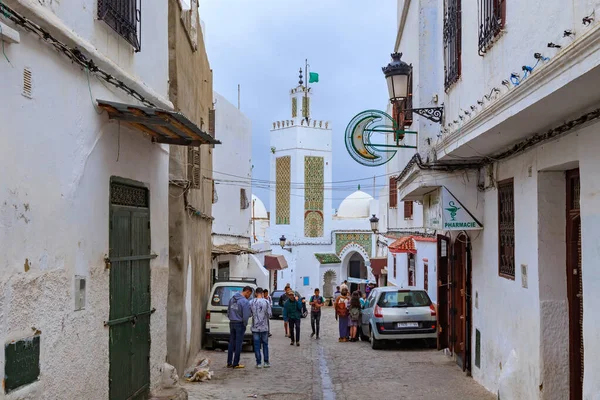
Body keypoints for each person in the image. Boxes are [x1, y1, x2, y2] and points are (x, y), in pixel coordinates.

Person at [227, 286, 253, 369]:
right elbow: (246, 315)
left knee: (231, 343)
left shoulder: (232, 299)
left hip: (232, 322)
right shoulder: (244, 301)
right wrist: (244, 324)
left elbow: (228, 311)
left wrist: (231, 318)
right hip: (239, 323)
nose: (249, 296)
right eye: (249, 294)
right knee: (238, 343)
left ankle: (229, 362)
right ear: (247, 292)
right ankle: (236, 363)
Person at [249, 287, 272, 368]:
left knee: (257, 345)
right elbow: (270, 314)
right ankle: (266, 362)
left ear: (255, 293)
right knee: (265, 344)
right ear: (262, 293)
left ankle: (258, 363)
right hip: (264, 327)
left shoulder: (251, 302)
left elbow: (249, 314)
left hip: (255, 327)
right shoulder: (266, 301)